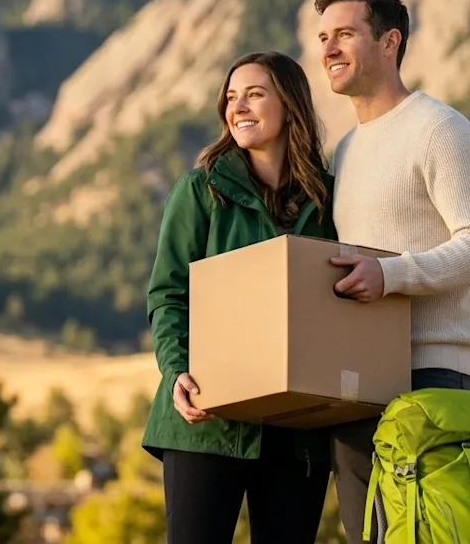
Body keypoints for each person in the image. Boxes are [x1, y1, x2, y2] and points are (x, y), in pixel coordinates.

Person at [312, 0, 470, 543]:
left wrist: (390, 274)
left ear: (390, 41)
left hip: (428, 377)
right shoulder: (344, 151)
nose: (328, 49)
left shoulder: (440, 129)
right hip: (354, 377)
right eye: (323, 37)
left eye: (345, 34)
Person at [140, 51, 338, 543]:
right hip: (207, 419)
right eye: (231, 97)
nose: (238, 107)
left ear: (290, 104)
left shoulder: (329, 199)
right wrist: (175, 370)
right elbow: (168, 294)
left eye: (254, 93)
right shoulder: (201, 190)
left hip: (297, 435)